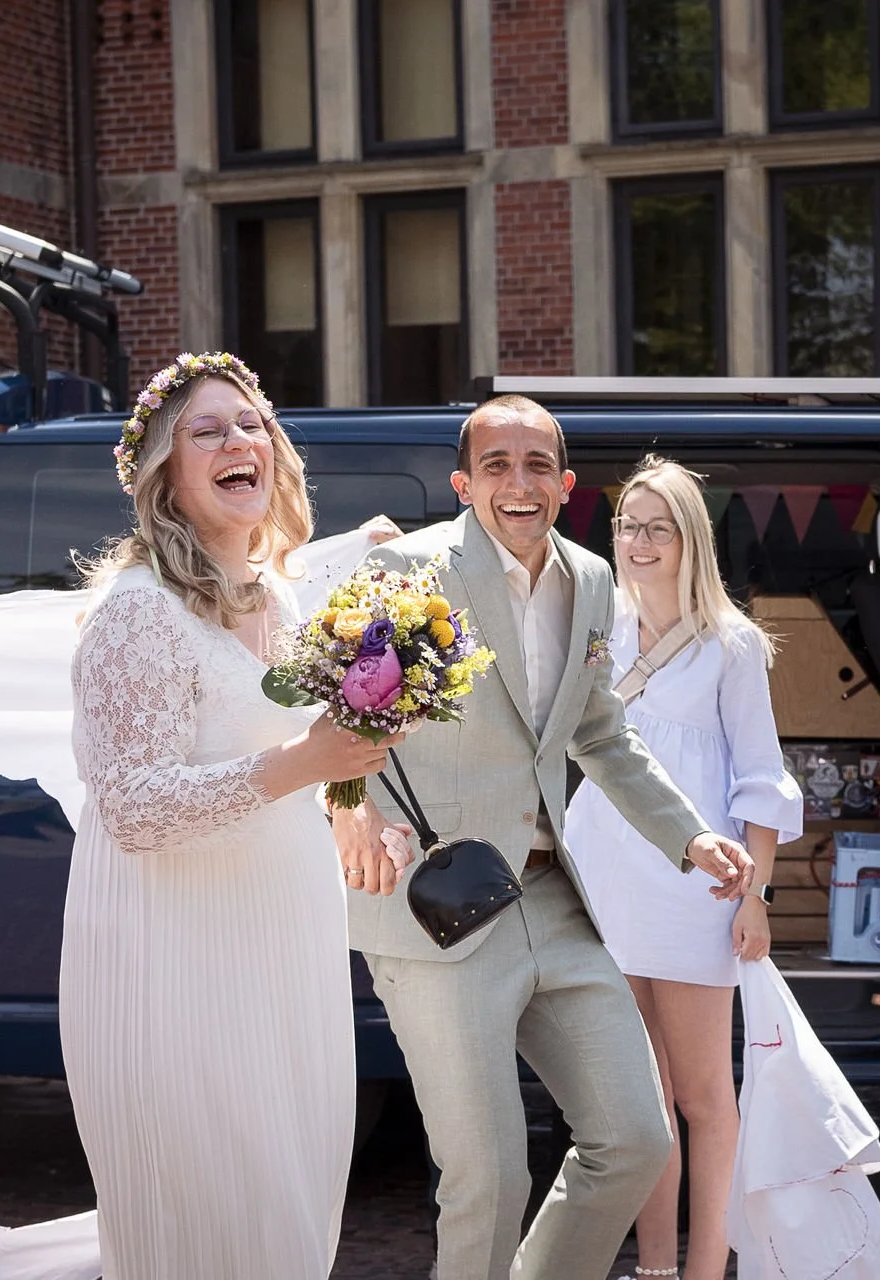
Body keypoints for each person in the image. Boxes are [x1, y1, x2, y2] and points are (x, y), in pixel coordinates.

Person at [331, 396, 755, 1280]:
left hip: (553, 897)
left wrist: (690, 838)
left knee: (636, 1138)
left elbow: (600, 734)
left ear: (565, 486)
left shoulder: (594, 580)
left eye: (536, 467)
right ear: (463, 482)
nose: (516, 484)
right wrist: (350, 806)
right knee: (487, 1176)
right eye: (496, 465)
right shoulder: (405, 569)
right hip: (438, 910)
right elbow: (338, 711)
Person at [60, 351, 401, 1279]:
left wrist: (350, 806)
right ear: (165, 473)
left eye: (250, 423)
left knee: (289, 1220)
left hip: (283, 956)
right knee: (209, 1229)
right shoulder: (138, 615)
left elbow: (282, 741)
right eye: (205, 431)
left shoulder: (281, 597)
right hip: (175, 966)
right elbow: (130, 805)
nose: (237, 439)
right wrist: (304, 764)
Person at [565, 456, 804, 1280]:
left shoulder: (732, 644)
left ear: (688, 538)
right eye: (626, 524)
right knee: (639, 1103)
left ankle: (707, 1269)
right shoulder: (596, 629)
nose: (635, 541)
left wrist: (757, 899)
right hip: (601, 880)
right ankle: (656, 1269)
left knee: (705, 1098)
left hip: (699, 889)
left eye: (654, 526)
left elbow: (761, 780)